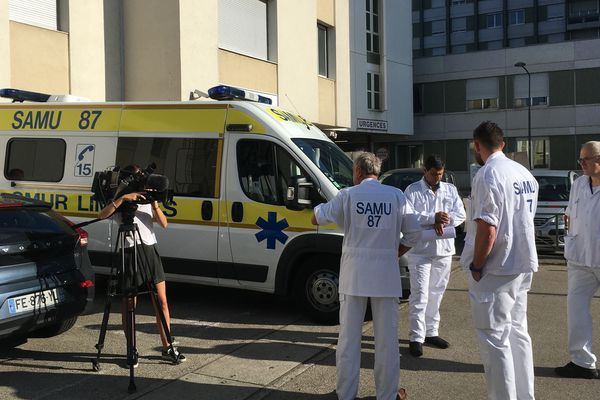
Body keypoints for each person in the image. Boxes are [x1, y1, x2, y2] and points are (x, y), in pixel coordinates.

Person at [311, 152, 419, 400]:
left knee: (349, 340)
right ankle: (388, 395)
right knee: (386, 342)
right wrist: (394, 252)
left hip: (354, 277)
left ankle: (346, 394)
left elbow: (316, 217)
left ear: (358, 172)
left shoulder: (348, 195)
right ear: (377, 172)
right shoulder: (396, 196)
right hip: (386, 277)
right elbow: (414, 235)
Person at [460, 121, 538, 400]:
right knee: (518, 333)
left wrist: (478, 265)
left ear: (477, 146)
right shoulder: (524, 173)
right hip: (522, 262)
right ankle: (524, 395)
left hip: (496, 267)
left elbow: (488, 228)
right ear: (502, 144)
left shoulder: (488, 174)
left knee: (494, 339)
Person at [98, 165, 185, 366]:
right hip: (129, 251)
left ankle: (168, 346)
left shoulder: (147, 197)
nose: (143, 182)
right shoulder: (120, 196)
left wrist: (154, 204)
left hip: (149, 249)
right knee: (130, 304)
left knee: (161, 301)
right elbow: (101, 215)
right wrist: (122, 199)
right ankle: (131, 349)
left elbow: (164, 223)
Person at [401, 154, 465, 357]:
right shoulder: (412, 190)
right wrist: (432, 218)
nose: (437, 177)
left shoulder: (450, 189)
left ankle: (431, 331)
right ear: (424, 171)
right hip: (420, 251)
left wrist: (446, 219)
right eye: (433, 174)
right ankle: (416, 337)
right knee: (420, 293)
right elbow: (407, 216)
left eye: (440, 173)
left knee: (437, 292)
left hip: (443, 249)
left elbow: (461, 214)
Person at [555, 141, 600, 379]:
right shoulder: (579, 184)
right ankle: (582, 362)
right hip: (580, 259)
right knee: (576, 310)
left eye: (586, 159)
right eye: (580, 159)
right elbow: (571, 214)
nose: (581, 163)